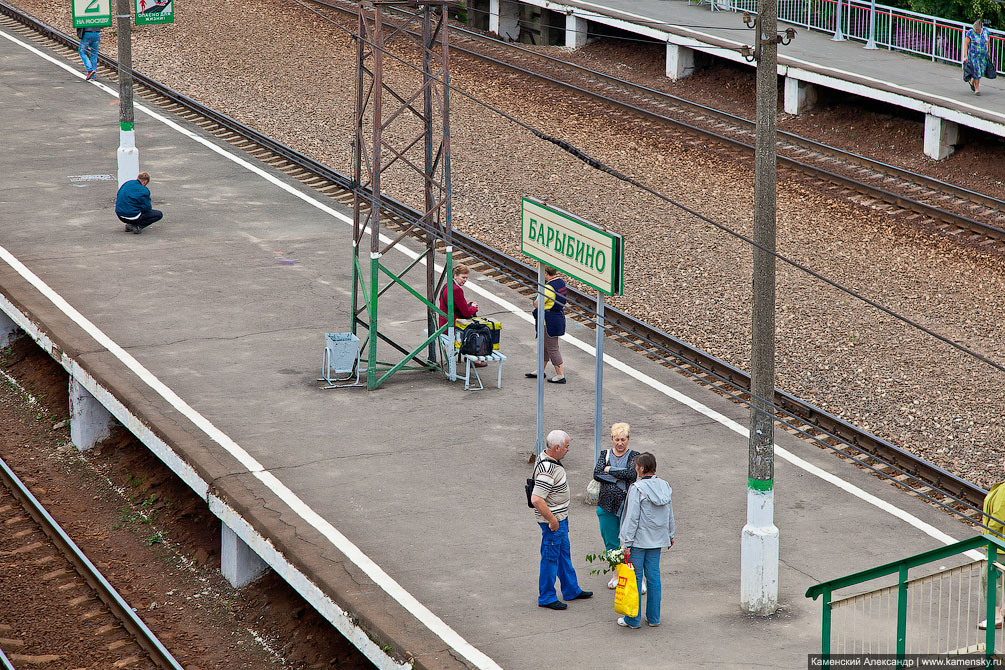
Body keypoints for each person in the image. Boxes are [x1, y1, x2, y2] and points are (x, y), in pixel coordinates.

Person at [530, 430, 592, 610]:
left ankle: (571, 589)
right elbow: (536, 499)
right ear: (556, 448)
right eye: (567, 446)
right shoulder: (548, 470)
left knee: (563, 555)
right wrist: (552, 520)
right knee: (550, 558)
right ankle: (547, 596)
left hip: (560, 519)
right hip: (554, 522)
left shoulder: (546, 459)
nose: (568, 449)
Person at [618, 452, 675, 629]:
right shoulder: (665, 486)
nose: (635, 469)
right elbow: (669, 513)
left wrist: (626, 542)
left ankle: (633, 619)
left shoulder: (637, 488)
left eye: (636, 466)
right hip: (657, 540)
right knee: (654, 577)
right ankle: (654, 617)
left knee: (635, 579)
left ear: (642, 469)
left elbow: (632, 517)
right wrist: (670, 534)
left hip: (638, 541)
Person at [593, 422, 639, 590]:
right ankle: (616, 573)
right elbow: (597, 474)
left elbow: (631, 474)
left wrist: (609, 469)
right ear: (611, 439)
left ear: (628, 439)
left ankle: (635, 575)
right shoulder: (604, 454)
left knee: (630, 542)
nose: (620, 443)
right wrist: (620, 477)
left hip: (628, 506)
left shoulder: (635, 455)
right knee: (611, 543)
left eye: (623, 439)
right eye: (617, 439)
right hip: (606, 505)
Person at [525, 265, 568, 384]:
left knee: (552, 347)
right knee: (545, 346)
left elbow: (537, 304)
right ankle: (540, 370)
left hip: (548, 321)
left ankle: (560, 375)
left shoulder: (548, 288)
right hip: (557, 318)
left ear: (546, 274)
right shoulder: (560, 282)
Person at [438, 264, 486, 367]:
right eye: (463, 277)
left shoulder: (447, 285)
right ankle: (474, 359)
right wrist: (474, 307)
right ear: (455, 275)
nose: (465, 280)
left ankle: (469, 355)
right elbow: (466, 312)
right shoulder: (457, 290)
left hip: (443, 324)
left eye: (466, 278)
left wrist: (467, 306)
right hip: (452, 327)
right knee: (478, 329)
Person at [979, 457, 1005, 630]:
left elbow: (999, 515)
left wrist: (988, 533)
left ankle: (995, 616)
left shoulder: (1004, 489)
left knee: (989, 576)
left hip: (999, 542)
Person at [963, 19, 990, 96]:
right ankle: (977, 89)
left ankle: (972, 82)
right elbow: (965, 44)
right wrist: (965, 56)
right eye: (975, 29)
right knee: (977, 71)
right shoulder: (970, 33)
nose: (976, 30)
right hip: (974, 56)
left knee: (981, 71)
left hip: (983, 56)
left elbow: (987, 42)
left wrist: (988, 52)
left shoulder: (985, 31)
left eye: (978, 29)